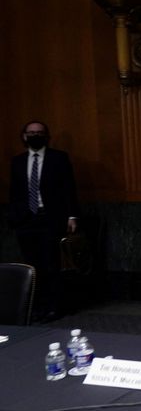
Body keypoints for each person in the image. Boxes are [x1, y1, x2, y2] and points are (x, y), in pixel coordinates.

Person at [9, 121, 80, 322]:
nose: (35, 135)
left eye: (39, 132)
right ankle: (36, 307)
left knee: (51, 264)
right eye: (31, 133)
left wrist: (72, 215)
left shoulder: (58, 158)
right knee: (32, 266)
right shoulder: (17, 161)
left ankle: (54, 307)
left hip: (50, 218)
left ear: (46, 136)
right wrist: (14, 217)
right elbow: (14, 193)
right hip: (25, 220)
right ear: (24, 136)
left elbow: (69, 188)